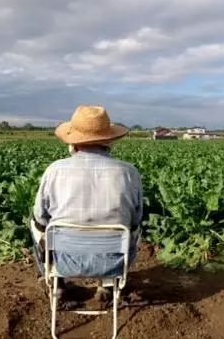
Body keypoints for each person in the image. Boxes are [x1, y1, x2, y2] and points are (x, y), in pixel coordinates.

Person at [30, 105, 143, 302]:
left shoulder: (55, 170)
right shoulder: (128, 172)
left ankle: (57, 284)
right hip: (113, 261)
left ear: (73, 143)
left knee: (35, 224)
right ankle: (107, 284)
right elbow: (136, 219)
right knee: (131, 229)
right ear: (109, 141)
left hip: (65, 261)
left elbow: (41, 217)